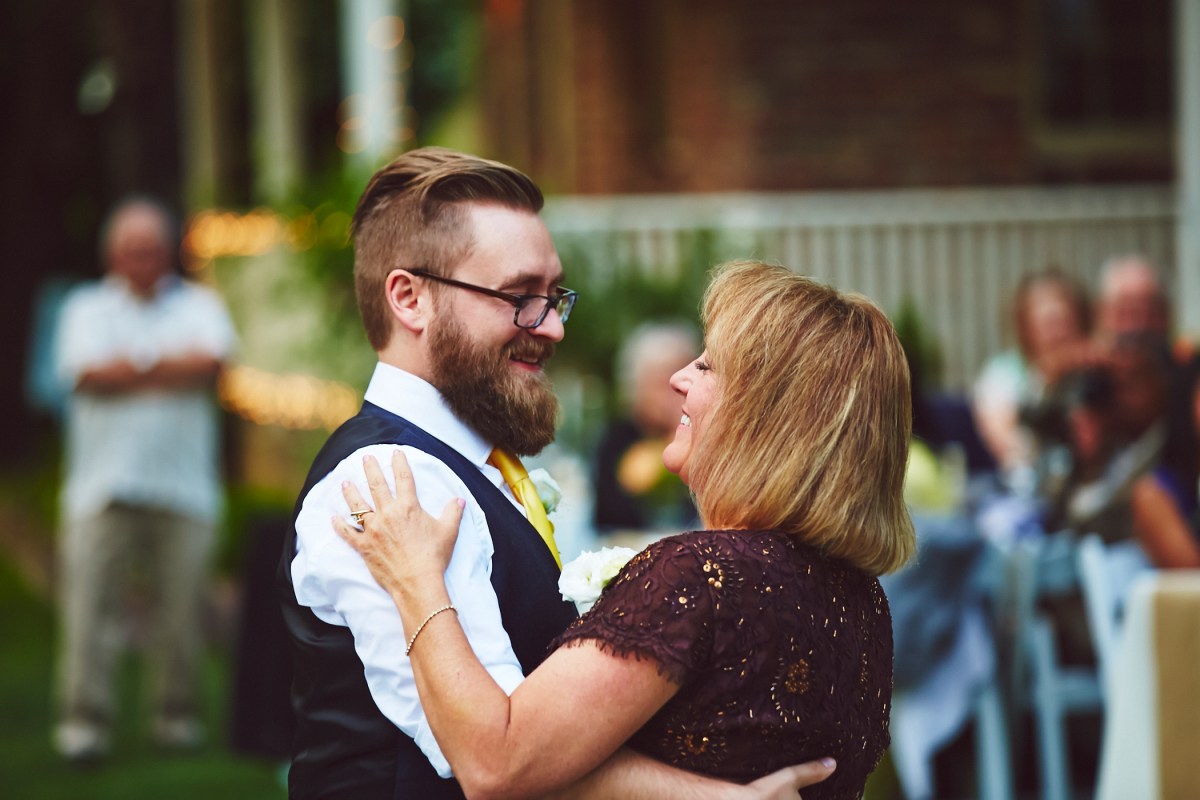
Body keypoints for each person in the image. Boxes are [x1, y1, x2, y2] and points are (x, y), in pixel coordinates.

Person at [281, 149, 835, 798]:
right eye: (518, 297)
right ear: (410, 299)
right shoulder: (390, 483)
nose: (550, 328)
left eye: (553, 296)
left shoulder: (477, 467)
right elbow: (498, 755)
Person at [334, 260, 916, 799]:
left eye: (708, 365)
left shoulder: (702, 579)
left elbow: (496, 762)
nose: (679, 379)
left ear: (767, 414)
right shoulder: (863, 602)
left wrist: (416, 581)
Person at [53, 197, 236, 763]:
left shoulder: (202, 304)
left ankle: (175, 718)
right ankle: (85, 726)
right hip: (99, 488)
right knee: (90, 611)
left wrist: (130, 365)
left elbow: (212, 366)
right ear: (113, 254)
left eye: (152, 250)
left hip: (185, 489)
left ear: (169, 252)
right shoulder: (84, 308)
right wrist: (164, 365)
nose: (142, 261)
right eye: (132, 251)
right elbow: (85, 375)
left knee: (180, 611)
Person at [971, 268, 1092, 491]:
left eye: (1063, 321)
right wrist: (1046, 382)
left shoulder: (1094, 372)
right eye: (1047, 323)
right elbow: (1012, 453)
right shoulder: (1002, 374)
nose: (1056, 332)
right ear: (1025, 326)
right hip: (1026, 491)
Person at [593, 321, 699, 532]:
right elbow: (608, 514)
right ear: (636, 385)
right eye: (662, 381)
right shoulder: (617, 438)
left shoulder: (699, 434)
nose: (676, 390)